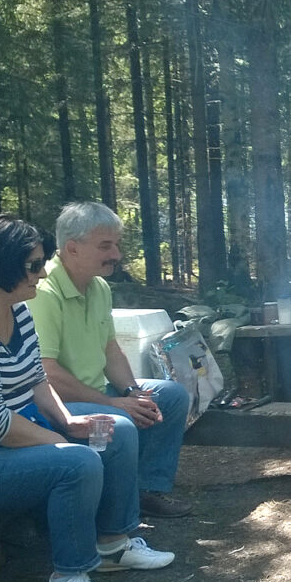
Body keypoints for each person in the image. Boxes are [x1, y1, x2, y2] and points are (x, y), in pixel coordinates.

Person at [0, 215, 175, 582]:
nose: (42, 273)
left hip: (3, 433)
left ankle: (113, 542)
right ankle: (68, 579)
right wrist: (63, 442)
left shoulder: (14, 305)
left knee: (114, 432)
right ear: (2, 266)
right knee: (77, 461)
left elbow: (35, 377)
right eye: (34, 265)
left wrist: (66, 420)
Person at [27, 202, 192, 518]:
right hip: (58, 405)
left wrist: (131, 393)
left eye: (116, 244)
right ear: (72, 248)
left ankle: (145, 490)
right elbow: (47, 374)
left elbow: (110, 350)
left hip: (97, 392)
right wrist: (112, 404)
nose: (116, 254)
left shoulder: (99, 287)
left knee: (168, 396)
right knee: (117, 421)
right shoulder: (44, 293)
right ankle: (114, 516)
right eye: (106, 246)